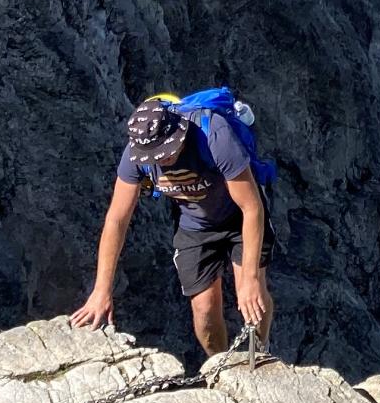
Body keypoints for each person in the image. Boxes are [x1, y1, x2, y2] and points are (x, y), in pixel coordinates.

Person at [71, 95, 271, 357]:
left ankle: (260, 353)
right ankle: (221, 366)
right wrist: (101, 290)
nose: (162, 160)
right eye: (155, 156)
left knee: (251, 295)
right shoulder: (135, 155)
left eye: (166, 152)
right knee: (204, 310)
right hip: (195, 226)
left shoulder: (215, 136)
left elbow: (251, 207)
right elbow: (117, 220)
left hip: (238, 217)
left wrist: (251, 278)